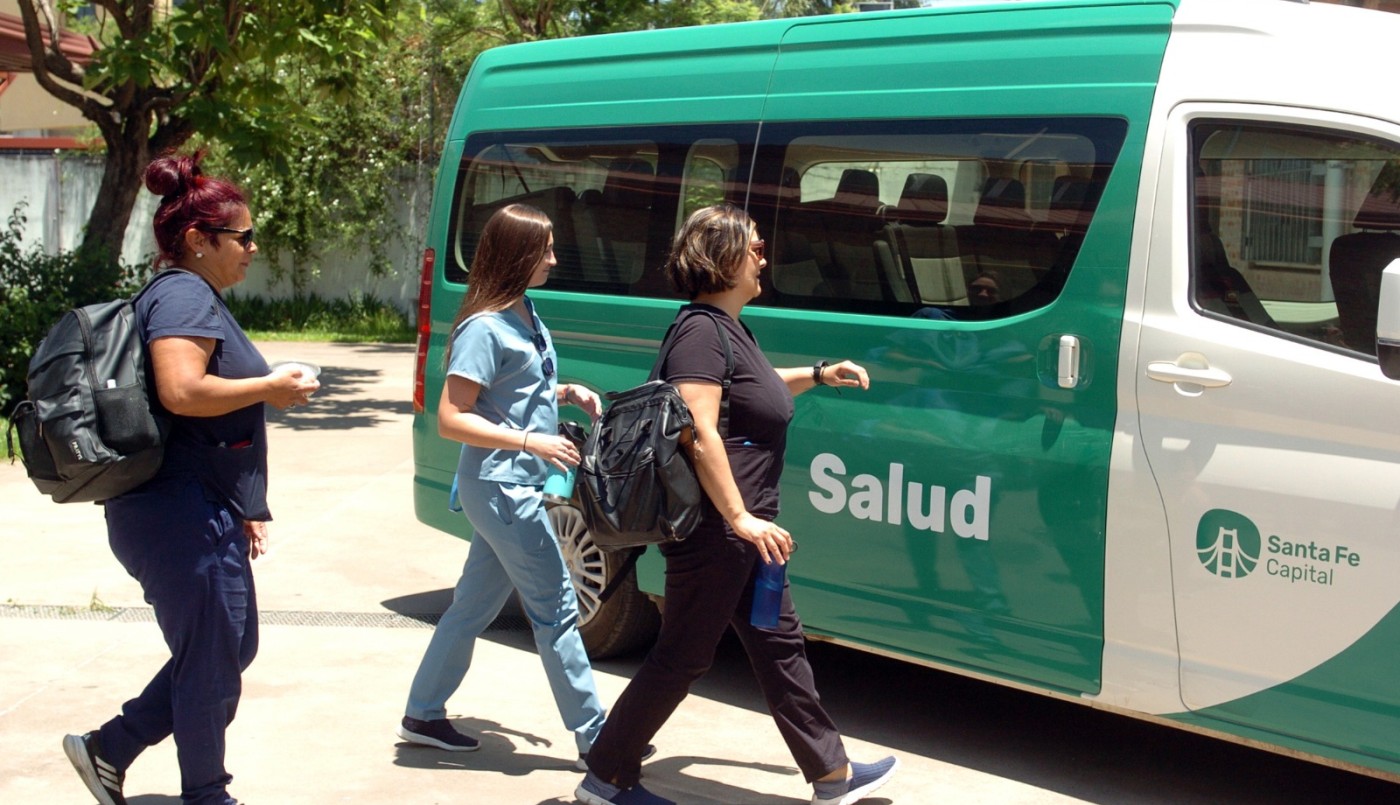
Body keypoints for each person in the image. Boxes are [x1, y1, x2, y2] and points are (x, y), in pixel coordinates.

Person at [576, 204, 899, 805]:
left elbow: (756, 389)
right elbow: (697, 430)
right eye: (753, 247)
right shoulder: (700, 331)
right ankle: (606, 775)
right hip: (718, 531)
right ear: (723, 258)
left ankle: (832, 774)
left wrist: (820, 373)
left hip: (747, 534)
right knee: (682, 656)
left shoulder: (725, 329)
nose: (763, 257)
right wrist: (741, 518)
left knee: (780, 646)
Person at [62, 150, 320, 805]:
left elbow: (199, 419)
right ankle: (207, 793)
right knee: (211, 663)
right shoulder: (181, 292)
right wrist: (270, 384)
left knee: (232, 647)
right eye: (243, 237)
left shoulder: (186, 291)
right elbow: (182, 390)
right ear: (198, 241)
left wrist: (246, 501)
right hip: (177, 512)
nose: (253, 248)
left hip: (194, 506)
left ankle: (109, 747)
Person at [397, 203, 640, 770]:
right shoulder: (484, 328)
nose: (555, 258)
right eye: (547, 249)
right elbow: (452, 417)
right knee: (556, 609)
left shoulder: (524, 311)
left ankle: (422, 712)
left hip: (509, 486)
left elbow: (507, 395)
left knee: (470, 608)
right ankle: (596, 736)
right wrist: (533, 443)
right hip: (504, 488)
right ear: (519, 254)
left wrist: (564, 393)